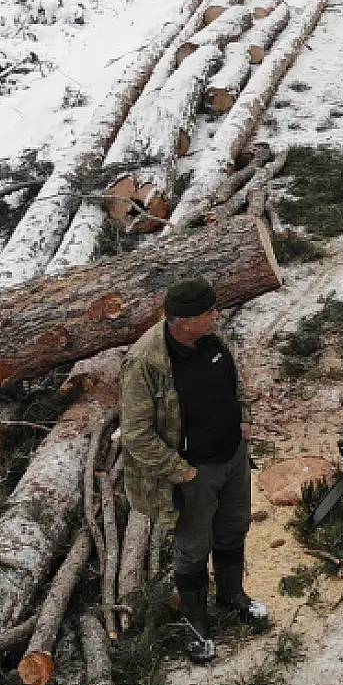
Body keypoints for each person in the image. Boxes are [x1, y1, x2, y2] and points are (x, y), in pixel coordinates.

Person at [121, 278, 269, 664]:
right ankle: (196, 626)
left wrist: (245, 420)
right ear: (182, 322)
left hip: (232, 457)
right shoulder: (147, 362)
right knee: (192, 549)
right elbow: (136, 435)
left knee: (234, 527)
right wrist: (181, 472)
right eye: (208, 312)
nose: (216, 316)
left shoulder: (212, 340)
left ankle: (232, 595)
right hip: (192, 472)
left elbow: (235, 384)